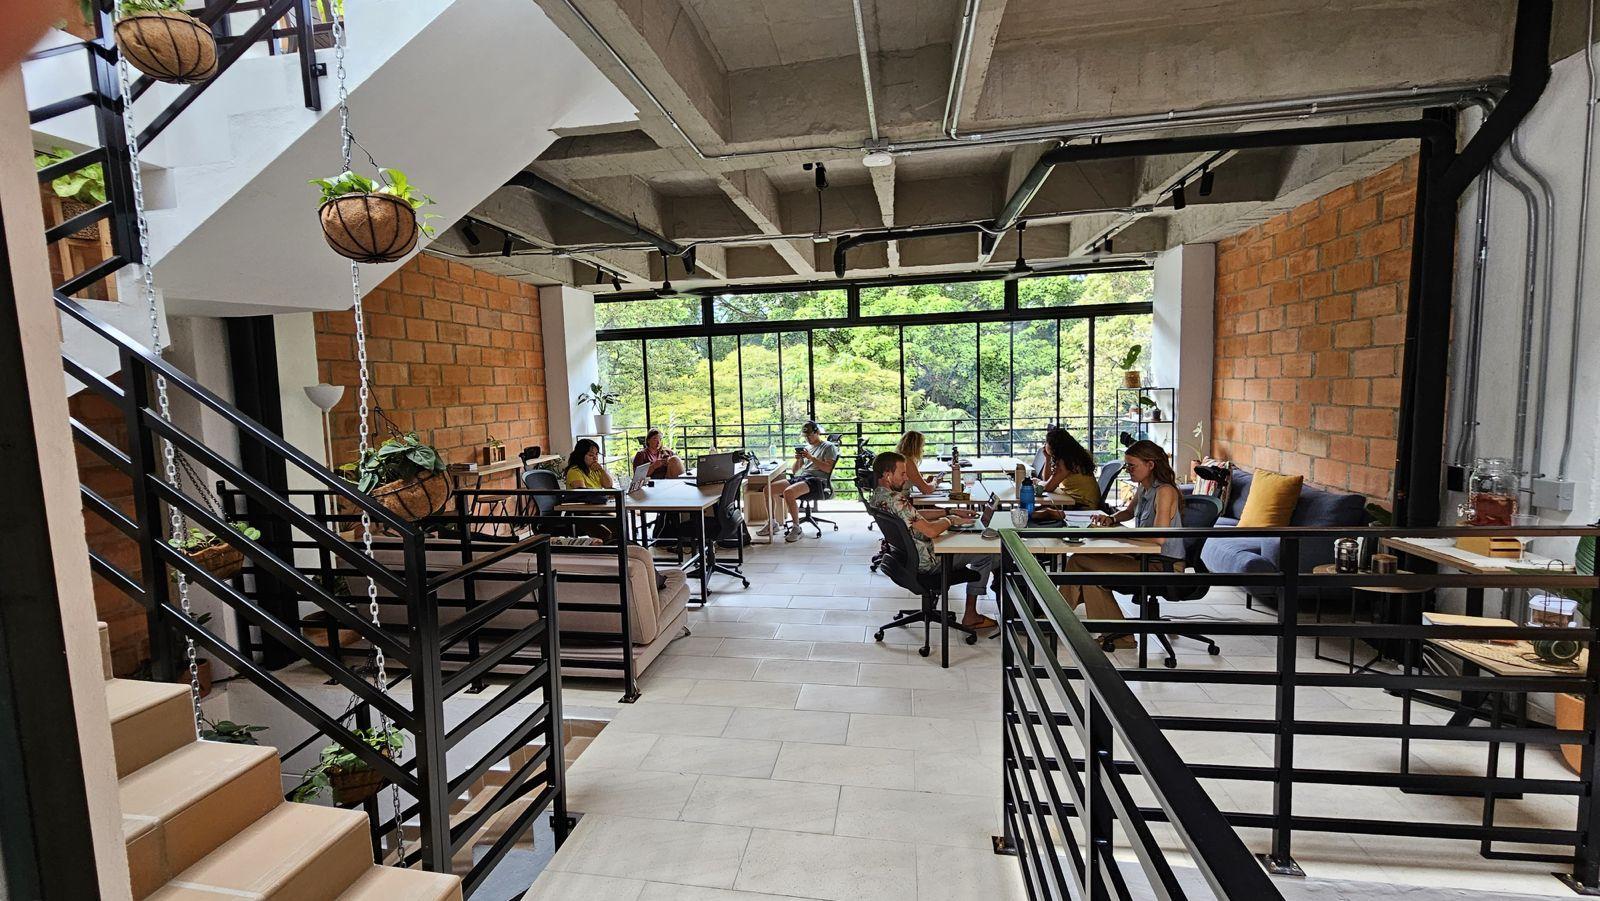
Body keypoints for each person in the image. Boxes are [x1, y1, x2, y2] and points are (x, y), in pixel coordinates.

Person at [1061, 440, 1183, 649]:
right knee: (1085, 567)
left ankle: (1055, 617)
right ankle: (1119, 636)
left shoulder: (1165, 491)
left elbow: (1159, 537)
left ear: (1150, 465)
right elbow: (1128, 512)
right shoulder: (1144, 488)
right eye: (1127, 465)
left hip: (1163, 566)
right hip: (1142, 558)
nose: (1128, 470)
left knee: (1081, 562)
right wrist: (1112, 520)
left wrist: (1119, 536)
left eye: (1132, 465)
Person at [868, 451, 997, 631]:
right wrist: (951, 521)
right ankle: (971, 615)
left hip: (905, 558)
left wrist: (949, 512)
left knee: (962, 538)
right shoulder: (895, 499)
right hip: (928, 560)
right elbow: (930, 530)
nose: (906, 478)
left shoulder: (878, 497)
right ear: (888, 475)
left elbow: (914, 516)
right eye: (902, 473)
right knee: (986, 554)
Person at [767, 421, 839, 543]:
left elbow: (828, 468)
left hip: (818, 481)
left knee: (788, 492)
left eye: (810, 435)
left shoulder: (828, 447)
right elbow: (795, 471)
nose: (808, 439)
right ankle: (772, 523)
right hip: (804, 478)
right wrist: (799, 459)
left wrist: (811, 457)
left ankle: (796, 528)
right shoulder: (807, 448)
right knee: (768, 489)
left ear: (817, 432)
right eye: (805, 436)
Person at [1038, 427, 1101, 511]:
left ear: (1054, 446)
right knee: (1040, 510)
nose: (1044, 445)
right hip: (1083, 501)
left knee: (1038, 512)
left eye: (1046, 442)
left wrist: (1038, 483)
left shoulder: (1067, 462)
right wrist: (1048, 458)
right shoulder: (1076, 454)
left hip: (1083, 506)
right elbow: (1048, 480)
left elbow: (1048, 487)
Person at [894, 430, 944, 494]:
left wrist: (924, 481)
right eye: (922, 446)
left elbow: (914, 482)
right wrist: (935, 481)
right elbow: (926, 490)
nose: (922, 450)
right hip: (901, 500)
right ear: (916, 447)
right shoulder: (907, 462)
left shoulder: (899, 458)